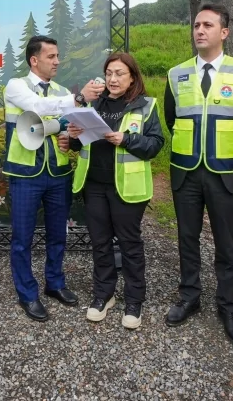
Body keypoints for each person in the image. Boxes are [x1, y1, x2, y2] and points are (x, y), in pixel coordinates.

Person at [163, 3, 233, 346]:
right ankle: (189, 296)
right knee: (187, 238)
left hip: (225, 172)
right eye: (196, 25)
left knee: (226, 242)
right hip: (185, 171)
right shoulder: (177, 74)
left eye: (207, 25)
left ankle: (227, 304)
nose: (199, 30)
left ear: (224, 32)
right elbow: (170, 117)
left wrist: (226, 146)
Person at [3, 35, 104, 321]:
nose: (57, 61)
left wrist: (69, 136)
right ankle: (27, 293)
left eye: (58, 56)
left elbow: (70, 126)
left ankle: (55, 283)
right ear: (34, 60)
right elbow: (37, 107)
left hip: (58, 172)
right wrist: (77, 99)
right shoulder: (16, 86)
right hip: (25, 173)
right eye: (51, 57)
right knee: (22, 238)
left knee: (58, 234)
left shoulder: (60, 90)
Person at [67, 53, 164, 329]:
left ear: (132, 76)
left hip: (128, 189)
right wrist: (74, 136)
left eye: (119, 73)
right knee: (99, 242)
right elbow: (78, 146)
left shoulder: (146, 106)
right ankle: (103, 295)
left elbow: (155, 145)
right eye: (109, 72)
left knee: (130, 244)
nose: (112, 79)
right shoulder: (93, 104)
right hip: (94, 185)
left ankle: (134, 301)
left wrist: (126, 139)